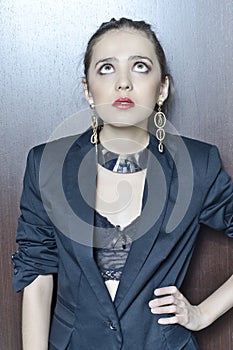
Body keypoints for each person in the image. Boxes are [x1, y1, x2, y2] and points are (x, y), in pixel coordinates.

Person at [12, 18, 233, 350]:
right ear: (88, 89)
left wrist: (202, 314)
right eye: (106, 69)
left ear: (162, 89)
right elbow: (36, 271)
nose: (123, 83)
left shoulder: (198, 166)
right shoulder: (47, 164)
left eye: (140, 66)